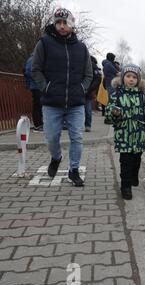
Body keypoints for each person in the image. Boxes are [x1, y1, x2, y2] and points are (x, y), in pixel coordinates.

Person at [31, 8, 93, 187]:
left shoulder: (81, 48)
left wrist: (82, 89)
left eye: (65, 22)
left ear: (71, 24)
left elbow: (89, 74)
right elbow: (35, 69)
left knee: (77, 137)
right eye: (58, 22)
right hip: (51, 103)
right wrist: (46, 87)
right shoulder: (44, 43)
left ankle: (74, 170)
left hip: (75, 103)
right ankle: (56, 158)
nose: (61, 26)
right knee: (51, 137)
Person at [105, 64, 145, 200]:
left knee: (136, 160)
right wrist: (114, 113)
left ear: (138, 80)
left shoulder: (144, 97)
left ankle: (134, 175)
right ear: (123, 78)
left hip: (139, 135)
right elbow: (108, 115)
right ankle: (125, 186)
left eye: (134, 77)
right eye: (128, 76)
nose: (131, 79)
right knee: (125, 162)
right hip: (123, 134)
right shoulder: (116, 95)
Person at [24, 54, 43, 132]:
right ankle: (38, 125)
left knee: (39, 105)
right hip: (36, 86)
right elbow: (29, 72)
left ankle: (40, 124)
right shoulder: (33, 59)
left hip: (38, 86)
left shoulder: (35, 59)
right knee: (37, 105)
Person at [85, 56, 102, 132]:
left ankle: (87, 125)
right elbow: (98, 78)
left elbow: (97, 78)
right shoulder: (93, 65)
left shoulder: (90, 65)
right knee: (87, 109)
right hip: (87, 90)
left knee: (86, 109)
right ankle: (87, 125)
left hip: (86, 90)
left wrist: (90, 88)